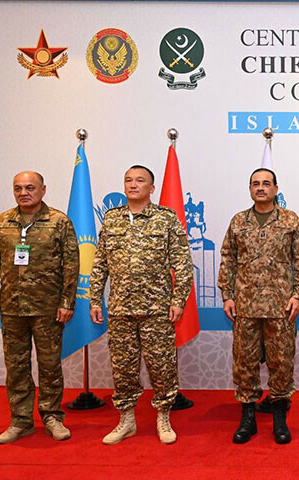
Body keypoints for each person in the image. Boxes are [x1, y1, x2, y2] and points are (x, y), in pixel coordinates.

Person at [90, 165, 193, 445]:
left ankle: (163, 417)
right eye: (128, 180)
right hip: (121, 308)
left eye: (140, 181)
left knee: (162, 367)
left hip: (157, 309)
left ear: (152, 187)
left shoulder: (166, 219)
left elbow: (182, 264)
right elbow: (100, 262)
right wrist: (95, 297)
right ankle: (126, 420)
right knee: (123, 368)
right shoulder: (112, 220)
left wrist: (178, 300)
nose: (133, 185)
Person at [0, 171, 79, 444]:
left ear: (43, 190)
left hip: (48, 309)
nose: (24, 192)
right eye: (18, 188)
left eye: (30, 187)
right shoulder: (2, 222)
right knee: (16, 367)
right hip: (12, 308)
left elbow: (71, 265)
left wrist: (67, 302)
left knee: (49, 366)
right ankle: (21, 421)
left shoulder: (58, 222)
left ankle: (52, 417)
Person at [218, 168, 299, 445]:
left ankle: (279, 418)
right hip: (245, 307)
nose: (261, 188)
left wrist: (298, 295)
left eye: (266, 184)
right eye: (256, 184)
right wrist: (227, 294)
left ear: (275, 189)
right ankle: (248, 419)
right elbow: (228, 260)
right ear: (250, 189)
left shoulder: (290, 220)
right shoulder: (238, 222)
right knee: (245, 365)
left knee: (281, 364)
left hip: (281, 307)